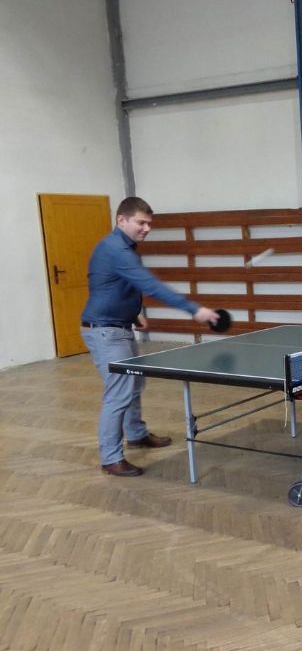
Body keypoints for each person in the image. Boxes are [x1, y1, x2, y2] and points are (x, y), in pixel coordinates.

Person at [81, 196, 220, 477]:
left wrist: (134, 314)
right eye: (141, 222)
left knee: (134, 383)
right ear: (122, 220)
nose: (147, 228)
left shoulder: (123, 247)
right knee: (118, 393)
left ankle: (136, 434)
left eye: (149, 224)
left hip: (118, 327)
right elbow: (151, 285)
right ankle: (110, 459)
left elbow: (108, 285)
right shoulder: (115, 248)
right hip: (106, 331)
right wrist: (195, 310)